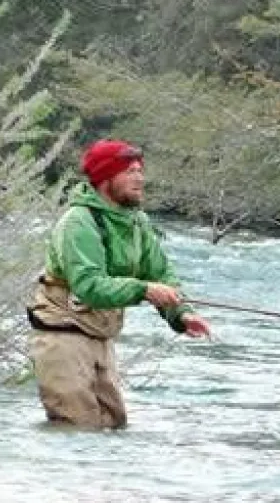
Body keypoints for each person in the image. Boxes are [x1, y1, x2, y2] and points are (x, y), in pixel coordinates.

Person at [26, 139, 212, 429]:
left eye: (140, 170)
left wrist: (182, 315)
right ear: (104, 179)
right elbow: (89, 286)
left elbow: (161, 274)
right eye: (129, 171)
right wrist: (144, 290)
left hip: (100, 337)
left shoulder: (137, 222)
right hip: (61, 336)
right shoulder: (79, 221)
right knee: (76, 429)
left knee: (114, 426)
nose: (139, 178)